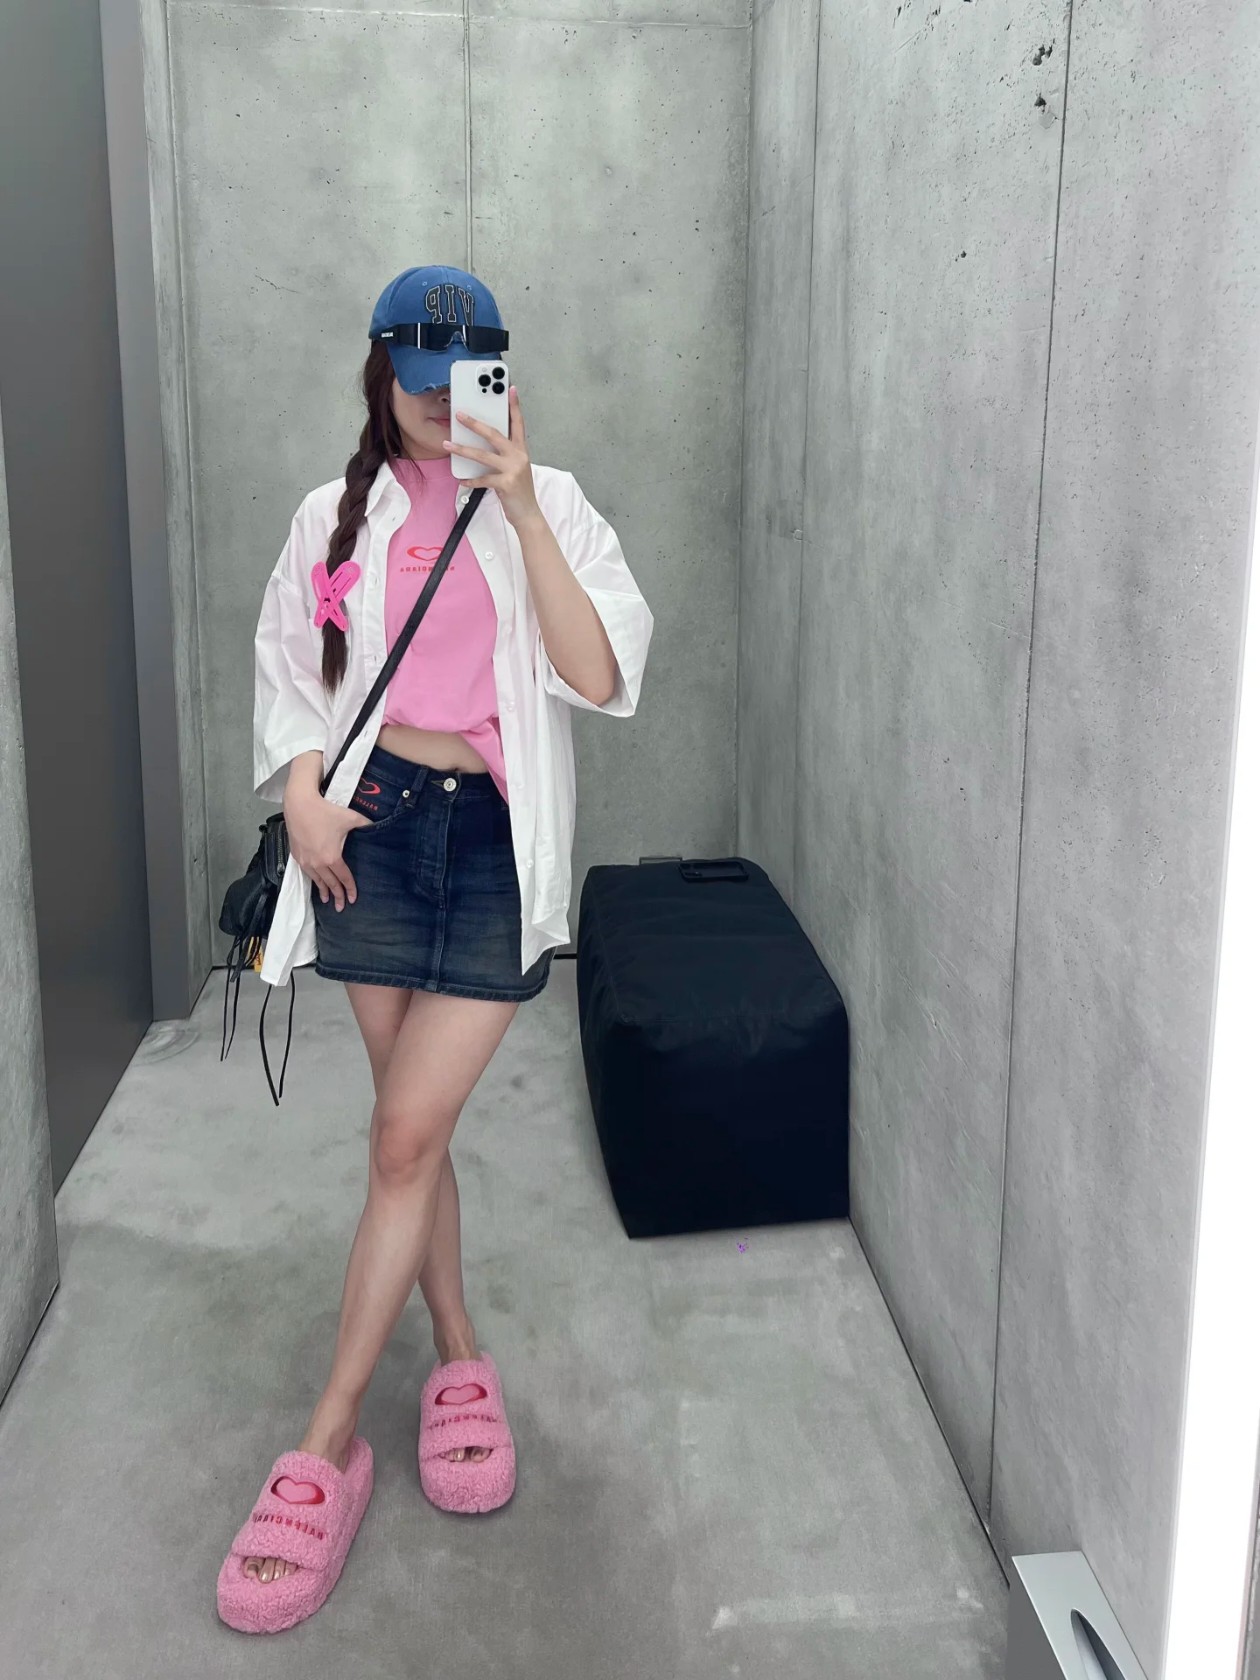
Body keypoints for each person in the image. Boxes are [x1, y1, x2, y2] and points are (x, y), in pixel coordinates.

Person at [216, 265, 653, 1634]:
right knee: (413, 1137)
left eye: (456, 378)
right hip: (374, 837)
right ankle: (457, 1349)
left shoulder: (552, 502)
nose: (431, 403)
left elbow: (598, 675)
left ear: (494, 377)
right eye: (412, 379)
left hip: (492, 843)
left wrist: (518, 505)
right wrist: (302, 796)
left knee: (405, 1135)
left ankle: (328, 1438)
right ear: (381, 372)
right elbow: (292, 669)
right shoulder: (330, 514)